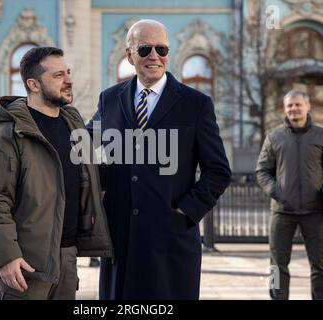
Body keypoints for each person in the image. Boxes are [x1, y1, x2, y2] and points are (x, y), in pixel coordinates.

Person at [87, 19, 231, 300]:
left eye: (161, 49)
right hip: (121, 239)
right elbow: (90, 154)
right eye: (145, 49)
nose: (154, 56)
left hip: (170, 241)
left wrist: (187, 210)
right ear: (129, 55)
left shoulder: (196, 105)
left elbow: (218, 171)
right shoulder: (110, 100)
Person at [0, 47, 112, 300]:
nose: (69, 80)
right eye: (58, 75)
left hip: (67, 259)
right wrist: (6, 256)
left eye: (68, 72)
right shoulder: (4, 133)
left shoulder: (74, 125)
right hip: (25, 264)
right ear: (33, 84)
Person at [256, 89, 323, 300]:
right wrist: (276, 191)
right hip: (282, 212)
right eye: (289, 106)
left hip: (315, 212)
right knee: (276, 265)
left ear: (307, 106)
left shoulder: (322, 136)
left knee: (320, 265)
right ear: (285, 109)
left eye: (298, 105)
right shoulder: (274, 137)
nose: (294, 109)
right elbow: (262, 171)